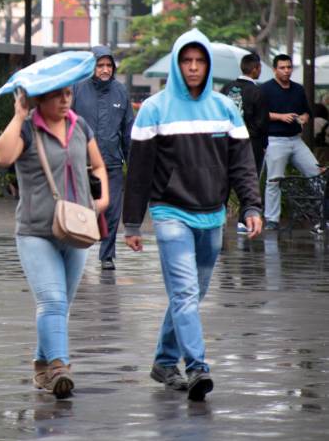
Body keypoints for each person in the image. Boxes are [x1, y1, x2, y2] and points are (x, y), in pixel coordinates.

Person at [123, 29, 263, 402]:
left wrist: (251, 205)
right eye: (187, 61)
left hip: (212, 214)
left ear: (208, 65)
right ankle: (197, 366)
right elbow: (138, 170)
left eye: (200, 61)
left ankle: (165, 361)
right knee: (185, 291)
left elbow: (243, 165)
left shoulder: (225, 109)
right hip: (170, 212)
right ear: (177, 64)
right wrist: (132, 222)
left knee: (193, 293)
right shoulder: (154, 109)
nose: (193, 67)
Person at [0, 82, 109, 399]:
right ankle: (60, 368)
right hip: (36, 231)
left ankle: (42, 366)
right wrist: (18, 116)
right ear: (40, 98)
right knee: (53, 302)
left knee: (60, 306)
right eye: (57, 94)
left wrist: (103, 199)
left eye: (68, 93)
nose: (64, 100)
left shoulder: (79, 125)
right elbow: (0, 157)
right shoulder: (28, 131)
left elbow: (98, 165)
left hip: (77, 228)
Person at [72, 45, 133, 271]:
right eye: (100, 65)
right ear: (92, 67)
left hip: (113, 163)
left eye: (109, 65)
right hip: (82, 163)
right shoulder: (77, 89)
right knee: (82, 209)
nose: (105, 69)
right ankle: (76, 252)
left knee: (113, 210)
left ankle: (107, 255)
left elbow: (128, 129)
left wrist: (132, 162)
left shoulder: (120, 91)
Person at [260, 54, 321, 230]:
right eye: (282, 68)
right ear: (274, 69)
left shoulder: (298, 89)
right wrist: (280, 116)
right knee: (274, 180)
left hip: (296, 140)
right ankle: (272, 219)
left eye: (289, 67)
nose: (286, 71)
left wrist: (303, 118)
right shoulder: (265, 89)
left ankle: (323, 216)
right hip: (275, 140)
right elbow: (260, 113)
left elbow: (307, 112)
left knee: (317, 174)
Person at [220, 53, 270, 233]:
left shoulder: (226, 88)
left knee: (223, 179)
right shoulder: (258, 92)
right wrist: (262, 142)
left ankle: (219, 217)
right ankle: (244, 220)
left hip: (224, 141)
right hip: (251, 144)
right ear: (255, 69)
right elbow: (262, 122)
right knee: (248, 179)